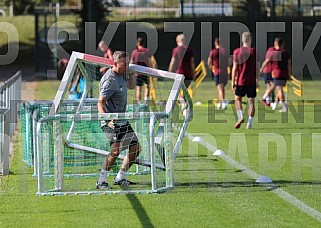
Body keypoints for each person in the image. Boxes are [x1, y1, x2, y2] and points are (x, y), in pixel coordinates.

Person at [96, 51, 140, 189]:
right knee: (115, 151)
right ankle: (101, 180)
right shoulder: (110, 80)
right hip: (111, 121)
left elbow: (132, 86)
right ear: (115, 63)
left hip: (121, 120)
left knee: (136, 148)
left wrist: (131, 73)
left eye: (128, 63)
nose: (127, 66)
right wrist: (107, 120)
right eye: (124, 64)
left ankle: (120, 177)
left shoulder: (122, 74)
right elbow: (100, 102)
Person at [231, 32, 259, 129]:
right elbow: (257, 68)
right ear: (251, 40)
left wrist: (232, 81)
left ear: (242, 40)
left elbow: (234, 68)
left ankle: (241, 116)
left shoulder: (237, 51)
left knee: (237, 99)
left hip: (240, 81)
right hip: (251, 81)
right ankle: (249, 124)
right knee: (251, 101)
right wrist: (257, 80)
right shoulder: (254, 52)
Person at [260, 37, 291, 112]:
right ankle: (275, 103)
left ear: (276, 44)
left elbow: (267, 61)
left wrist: (261, 68)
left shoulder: (274, 53)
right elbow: (289, 64)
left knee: (279, 89)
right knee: (279, 89)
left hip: (277, 73)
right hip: (284, 73)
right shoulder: (286, 53)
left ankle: (283, 106)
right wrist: (289, 74)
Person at [169, 34, 195, 111]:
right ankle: (185, 109)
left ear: (177, 41)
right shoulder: (189, 50)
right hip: (188, 74)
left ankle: (183, 103)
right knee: (185, 90)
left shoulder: (176, 50)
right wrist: (193, 73)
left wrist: (170, 72)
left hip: (179, 73)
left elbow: (173, 62)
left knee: (178, 91)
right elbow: (192, 63)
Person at [207, 38, 229, 109]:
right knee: (222, 88)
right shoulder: (225, 51)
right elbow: (229, 61)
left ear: (215, 43)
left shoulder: (213, 52)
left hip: (217, 72)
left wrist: (212, 68)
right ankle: (221, 102)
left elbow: (209, 62)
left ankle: (222, 102)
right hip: (225, 72)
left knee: (220, 88)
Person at [130, 37, 152, 105]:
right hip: (145, 72)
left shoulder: (134, 52)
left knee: (138, 89)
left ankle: (139, 104)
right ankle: (145, 102)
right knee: (147, 87)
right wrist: (151, 70)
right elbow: (149, 61)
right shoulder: (146, 51)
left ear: (137, 43)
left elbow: (131, 62)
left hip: (137, 73)